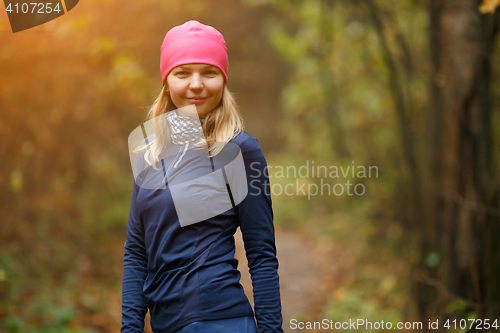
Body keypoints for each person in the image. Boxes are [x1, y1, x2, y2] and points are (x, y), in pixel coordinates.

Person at [121, 20, 284, 333]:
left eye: (208, 72)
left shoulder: (240, 150)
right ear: (167, 81)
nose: (196, 84)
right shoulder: (148, 152)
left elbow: (261, 255)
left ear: (222, 80)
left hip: (221, 322)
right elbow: (136, 251)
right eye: (183, 72)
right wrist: (130, 328)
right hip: (165, 325)